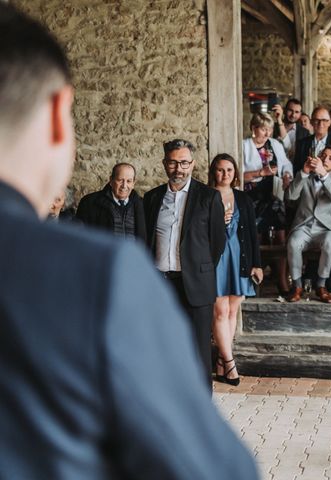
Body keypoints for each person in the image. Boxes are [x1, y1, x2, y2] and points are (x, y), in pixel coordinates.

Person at [0, 5, 257, 478]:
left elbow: (218, 240)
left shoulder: (201, 199)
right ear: (60, 114)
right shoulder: (101, 275)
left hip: (192, 281)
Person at [144, 139, 227, 386]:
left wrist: (196, 268)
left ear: (192, 164)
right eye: (172, 162)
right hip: (160, 284)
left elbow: (217, 244)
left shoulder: (209, 197)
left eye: (183, 162)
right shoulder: (151, 198)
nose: (178, 168)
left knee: (198, 349)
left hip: (196, 284)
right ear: (164, 163)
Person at [208, 153, 261, 386]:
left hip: (240, 258)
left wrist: (256, 263)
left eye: (229, 170)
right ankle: (230, 363)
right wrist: (219, 222)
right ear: (213, 173)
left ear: (235, 173)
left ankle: (221, 360)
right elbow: (201, 232)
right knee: (220, 312)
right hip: (217, 259)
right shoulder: (206, 197)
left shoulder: (244, 199)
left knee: (232, 311)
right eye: (220, 170)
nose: (225, 174)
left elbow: (252, 234)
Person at [285, 146, 331, 304]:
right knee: (293, 242)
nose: (325, 159)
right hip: (303, 226)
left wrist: (324, 175)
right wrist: (303, 172)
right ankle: (297, 286)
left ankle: (321, 285)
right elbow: (290, 196)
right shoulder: (305, 176)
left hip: (326, 229)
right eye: (323, 155)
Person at [243, 112, 293, 294]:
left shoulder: (275, 145)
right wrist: (260, 173)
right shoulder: (244, 146)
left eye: (270, 129)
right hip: (250, 199)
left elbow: (286, 164)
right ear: (253, 128)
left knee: (281, 237)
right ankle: (254, 283)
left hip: (270, 196)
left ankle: (282, 281)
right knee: (253, 239)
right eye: (263, 129)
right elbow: (237, 176)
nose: (267, 133)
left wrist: (287, 175)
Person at [75, 163, 146, 241]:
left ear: (133, 184)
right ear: (111, 180)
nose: (124, 185)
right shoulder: (89, 203)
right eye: (120, 180)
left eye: (129, 181)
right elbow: (80, 237)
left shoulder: (143, 205)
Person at [293, 106, 331, 180]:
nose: (321, 123)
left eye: (324, 120)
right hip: (306, 187)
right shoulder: (302, 143)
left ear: (329, 122)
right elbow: (296, 169)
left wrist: (328, 165)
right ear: (311, 122)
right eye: (317, 120)